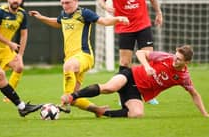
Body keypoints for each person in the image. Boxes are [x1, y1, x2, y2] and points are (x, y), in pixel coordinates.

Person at [29, 0, 129, 116]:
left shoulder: (84, 13)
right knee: (75, 99)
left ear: (76, 1)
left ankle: (66, 96)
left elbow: (103, 21)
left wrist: (118, 19)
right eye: (63, 3)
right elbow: (58, 22)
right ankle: (99, 110)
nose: (65, 6)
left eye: (68, 2)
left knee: (68, 68)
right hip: (71, 59)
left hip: (84, 55)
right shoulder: (64, 14)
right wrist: (41, 17)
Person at [61, 45, 209, 118]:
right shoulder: (165, 57)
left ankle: (101, 112)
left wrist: (205, 114)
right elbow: (140, 52)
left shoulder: (184, 77)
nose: (175, 60)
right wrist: (147, 66)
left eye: (179, 60)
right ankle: (72, 96)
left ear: (187, 63)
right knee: (111, 87)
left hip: (137, 91)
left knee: (136, 114)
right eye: (176, 56)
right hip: (130, 75)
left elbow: (194, 94)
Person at [98, 0, 163, 104]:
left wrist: (159, 12)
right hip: (125, 28)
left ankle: (149, 94)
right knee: (125, 63)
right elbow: (101, 0)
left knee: (147, 60)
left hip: (143, 25)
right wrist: (106, 7)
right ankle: (124, 96)